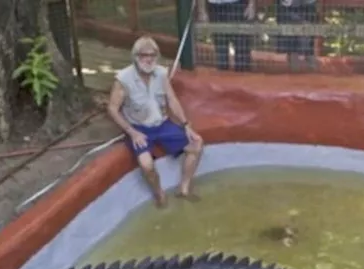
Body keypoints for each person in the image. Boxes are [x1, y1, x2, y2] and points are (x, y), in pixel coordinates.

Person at [106, 36, 205, 208]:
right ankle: (159, 193)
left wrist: (186, 124)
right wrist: (132, 132)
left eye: (152, 55)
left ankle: (184, 188)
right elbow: (112, 109)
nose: (149, 59)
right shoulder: (123, 79)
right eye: (144, 55)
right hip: (138, 127)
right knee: (146, 164)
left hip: (162, 123)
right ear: (136, 57)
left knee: (197, 144)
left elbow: (172, 100)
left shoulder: (161, 73)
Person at [199, 0, 256, 72]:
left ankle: (243, 78)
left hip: (237, 4)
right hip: (215, 7)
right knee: (221, 51)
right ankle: (222, 78)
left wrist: (251, 5)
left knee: (242, 49)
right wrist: (202, 10)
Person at [276, 0, 318, 71]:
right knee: (291, 33)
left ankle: (308, 55)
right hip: (289, 8)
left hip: (306, 7)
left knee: (308, 28)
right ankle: (294, 59)